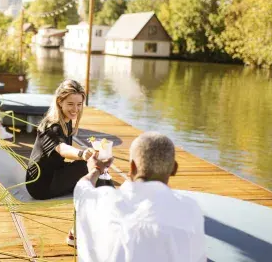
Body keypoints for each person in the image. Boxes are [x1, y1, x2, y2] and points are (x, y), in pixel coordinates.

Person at [74, 132, 206, 262]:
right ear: (174, 169)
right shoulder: (191, 209)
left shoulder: (103, 201)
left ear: (131, 167)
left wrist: (96, 169)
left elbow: (82, 188)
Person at [25, 79, 97, 201]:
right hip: (40, 184)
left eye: (79, 104)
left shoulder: (66, 121)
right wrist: (82, 153)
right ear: (60, 102)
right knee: (91, 167)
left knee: (93, 168)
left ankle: (102, 197)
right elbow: (62, 148)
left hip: (53, 173)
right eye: (70, 104)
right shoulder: (52, 126)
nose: (75, 109)